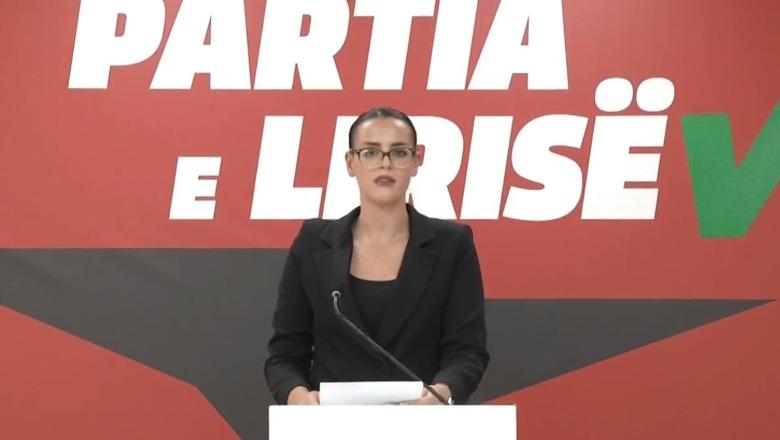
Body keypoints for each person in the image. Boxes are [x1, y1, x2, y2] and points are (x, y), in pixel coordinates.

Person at [264, 107, 489, 405]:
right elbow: (284, 355)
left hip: (420, 424)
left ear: (416, 161)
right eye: (370, 152)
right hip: (331, 424)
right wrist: (299, 399)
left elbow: (468, 352)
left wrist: (440, 395)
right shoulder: (313, 243)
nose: (385, 163)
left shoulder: (452, 245)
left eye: (399, 152)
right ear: (350, 162)